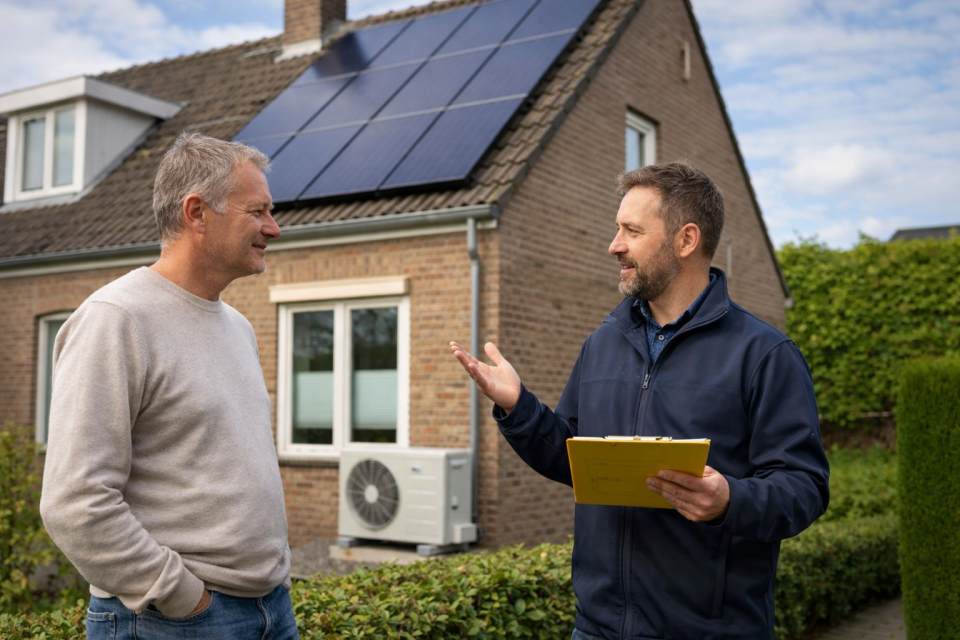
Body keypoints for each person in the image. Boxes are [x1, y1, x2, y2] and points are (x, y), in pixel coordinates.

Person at [450, 162, 829, 640]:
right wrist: (518, 406)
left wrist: (730, 499)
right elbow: (573, 457)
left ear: (686, 240)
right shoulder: (603, 343)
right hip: (598, 628)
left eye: (631, 230)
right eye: (617, 229)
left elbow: (805, 487)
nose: (615, 245)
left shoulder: (765, 355)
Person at [40, 132, 298, 639]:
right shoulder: (115, 319)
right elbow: (75, 502)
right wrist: (181, 597)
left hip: (271, 609)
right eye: (258, 211)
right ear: (197, 212)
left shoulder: (238, 326)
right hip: (176, 621)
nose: (274, 228)